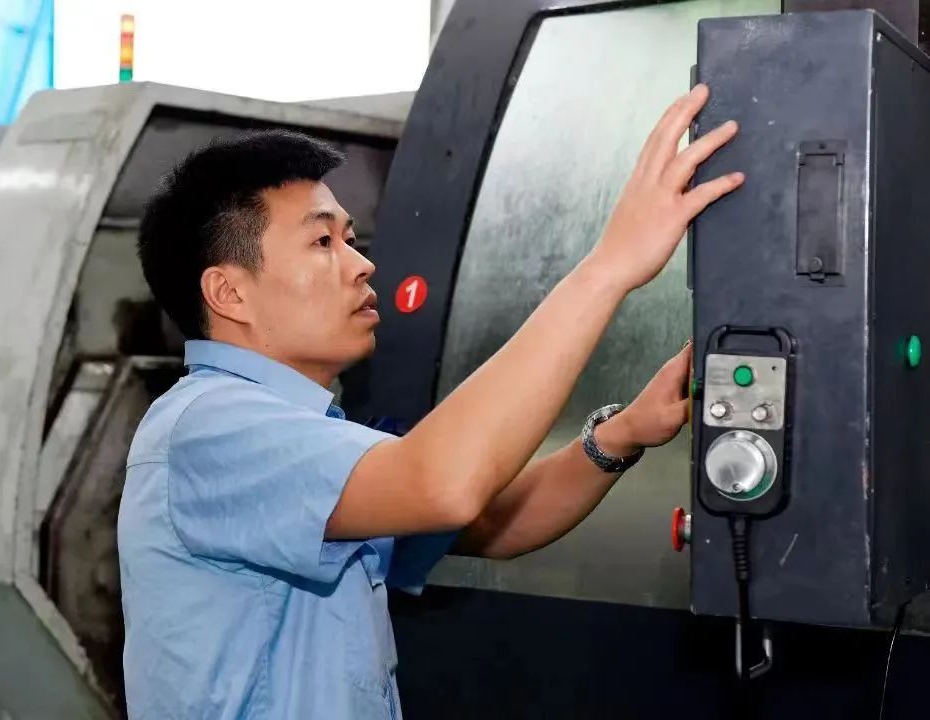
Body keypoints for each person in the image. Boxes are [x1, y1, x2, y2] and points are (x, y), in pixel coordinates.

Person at [119, 83, 743, 719]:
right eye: (323, 243)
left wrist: (624, 433)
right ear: (229, 293)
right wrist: (608, 268)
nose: (361, 264)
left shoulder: (303, 434)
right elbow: (446, 484)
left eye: (351, 239)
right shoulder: (211, 427)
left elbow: (495, 524)